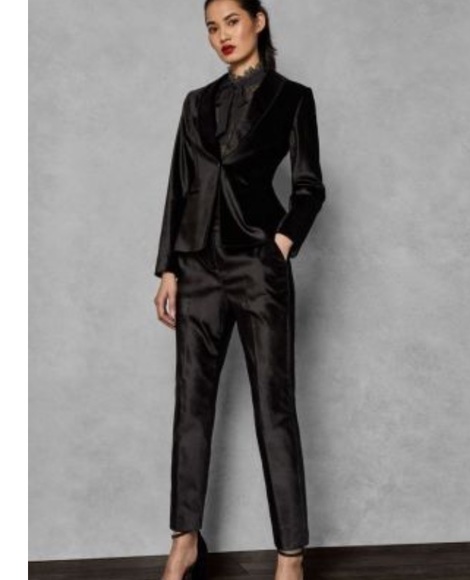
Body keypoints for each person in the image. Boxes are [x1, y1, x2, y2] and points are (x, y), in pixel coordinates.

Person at [153, 1, 326, 579]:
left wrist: (280, 244)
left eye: (231, 21)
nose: (222, 35)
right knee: (190, 407)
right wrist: (169, 269)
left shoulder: (292, 98)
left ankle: (291, 555)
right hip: (197, 269)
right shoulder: (196, 103)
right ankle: (184, 541)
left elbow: (309, 187)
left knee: (274, 409)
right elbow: (179, 187)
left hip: (257, 267)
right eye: (212, 27)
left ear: (259, 20)